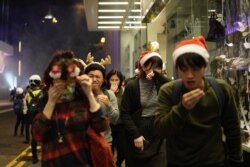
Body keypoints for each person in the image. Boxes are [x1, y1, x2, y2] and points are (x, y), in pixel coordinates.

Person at [154, 36, 243, 167]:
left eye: (195, 68)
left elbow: (233, 130)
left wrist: (237, 162)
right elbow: (160, 131)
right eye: (184, 69)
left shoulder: (220, 90)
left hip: (214, 162)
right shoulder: (168, 91)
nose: (190, 75)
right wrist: (182, 108)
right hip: (178, 163)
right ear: (177, 69)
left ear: (205, 67)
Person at [31, 50, 112, 167]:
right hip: (52, 162)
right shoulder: (45, 101)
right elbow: (37, 135)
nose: (64, 86)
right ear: (52, 81)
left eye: (69, 81)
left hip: (80, 162)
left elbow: (102, 126)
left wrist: (89, 94)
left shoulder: (82, 99)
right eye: (60, 81)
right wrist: (51, 102)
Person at [120, 50, 170, 167]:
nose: (154, 71)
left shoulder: (161, 84)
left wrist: (158, 77)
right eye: (150, 67)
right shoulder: (132, 85)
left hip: (157, 130)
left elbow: (175, 86)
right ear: (143, 67)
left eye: (157, 68)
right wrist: (136, 134)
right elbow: (125, 113)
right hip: (138, 129)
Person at [84, 56, 119, 147]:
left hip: (105, 142)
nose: (94, 79)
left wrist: (109, 105)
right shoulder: (81, 95)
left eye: (98, 77)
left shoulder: (109, 94)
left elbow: (115, 120)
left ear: (103, 79)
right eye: (91, 76)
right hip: (84, 143)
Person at [106, 69, 126, 167]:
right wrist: (111, 93)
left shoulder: (124, 90)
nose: (114, 82)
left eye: (116, 80)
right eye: (112, 80)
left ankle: (118, 164)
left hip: (121, 125)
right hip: (109, 125)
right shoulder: (106, 92)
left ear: (120, 80)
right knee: (110, 150)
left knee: (122, 151)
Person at [23, 74, 43, 164]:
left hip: (33, 119)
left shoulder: (27, 94)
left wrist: (26, 115)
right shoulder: (43, 93)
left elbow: (25, 106)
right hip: (42, 118)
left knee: (34, 139)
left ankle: (34, 157)